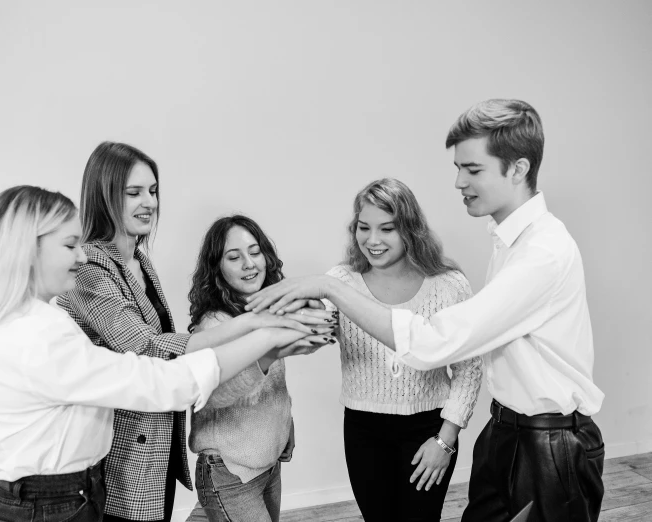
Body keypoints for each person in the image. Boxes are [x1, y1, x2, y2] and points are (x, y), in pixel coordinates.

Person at [245, 99, 605, 522]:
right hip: (507, 431)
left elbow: (436, 343)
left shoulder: (541, 254)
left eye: (472, 169)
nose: (458, 182)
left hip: (547, 445)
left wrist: (327, 287)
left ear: (518, 169)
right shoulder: (509, 241)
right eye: (458, 168)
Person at [0, 186, 317, 522]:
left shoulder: (25, 321)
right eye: (70, 246)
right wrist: (268, 336)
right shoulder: (38, 336)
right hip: (53, 503)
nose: (83, 257)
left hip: (57, 496)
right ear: (28, 251)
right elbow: (157, 381)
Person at [57, 142, 334, 522]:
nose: (149, 202)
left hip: (158, 448)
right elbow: (147, 347)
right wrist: (259, 327)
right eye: (133, 192)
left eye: (153, 191)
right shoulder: (90, 268)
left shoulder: (139, 261)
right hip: (123, 454)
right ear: (104, 195)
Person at [320, 178, 482, 521]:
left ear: (410, 230)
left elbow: (469, 368)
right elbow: (315, 329)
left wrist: (445, 440)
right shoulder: (340, 283)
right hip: (364, 430)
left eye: (387, 229)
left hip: (430, 428)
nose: (372, 240)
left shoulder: (449, 285)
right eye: (364, 227)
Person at [187, 215, 336, 522]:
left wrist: (286, 424)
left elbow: (273, 384)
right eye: (234, 257)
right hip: (229, 474)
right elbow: (211, 396)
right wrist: (266, 355)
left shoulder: (267, 310)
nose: (249, 264)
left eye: (254, 252)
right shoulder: (215, 325)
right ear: (217, 268)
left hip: (268, 467)